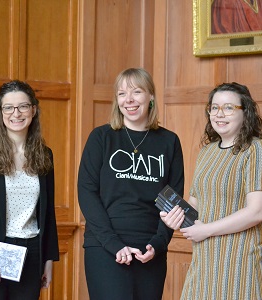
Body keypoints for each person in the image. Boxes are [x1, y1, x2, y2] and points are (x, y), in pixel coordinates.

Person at [77, 67, 184, 299]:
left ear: (151, 97)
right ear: (117, 100)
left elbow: (172, 200)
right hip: (105, 247)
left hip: (150, 250)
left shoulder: (169, 141)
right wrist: (114, 244)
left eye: (137, 92)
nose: (129, 100)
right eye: (122, 94)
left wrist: (157, 244)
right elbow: (86, 192)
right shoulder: (102, 137)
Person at [160, 82, 262, 300]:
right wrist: (174, 217)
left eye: (228, 108)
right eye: (214, 108)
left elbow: (256, 212)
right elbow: (195, 204)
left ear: (246, 112)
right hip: (203, 260)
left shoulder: (255, 150)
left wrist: (207, 230)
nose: (219, 114)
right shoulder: (207, 152)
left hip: (238, 262)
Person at [0, 80, 59, 300]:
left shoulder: (45, 155)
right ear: (0, 111)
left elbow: (47, 212)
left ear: (33, 110)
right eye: (8, 107)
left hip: (31, 254)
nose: (16, 113)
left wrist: (48, 260)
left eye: (23, 106)